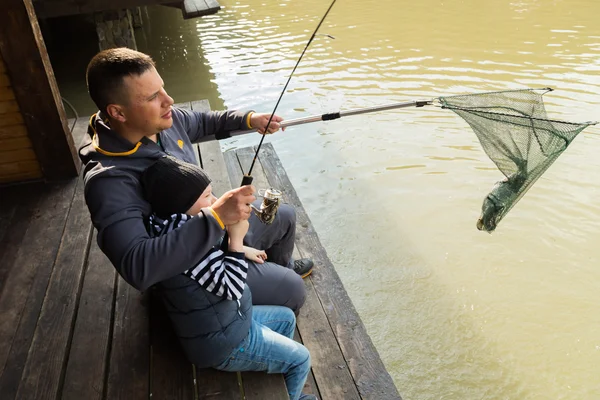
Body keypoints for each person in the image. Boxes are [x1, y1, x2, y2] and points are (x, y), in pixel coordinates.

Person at [79, 47, 314, 313]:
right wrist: (216, 218)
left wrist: (250, 120)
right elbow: (137, 266)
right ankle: (248, 311)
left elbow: (203, 122)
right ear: (118, 113)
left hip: (214, 233)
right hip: (189, 270)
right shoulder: (108, 181)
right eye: (153, 97)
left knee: (284, 216)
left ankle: (274, 270)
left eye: (163, 88)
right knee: (294, 290)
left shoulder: (161, 119)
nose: (169, 100)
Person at [140, 155, 315, 400]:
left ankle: (272, 372)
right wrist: (236, 241)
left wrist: (240, 247)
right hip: (223, 344)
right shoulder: (188, 250)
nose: (215, 201)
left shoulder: (175, 227)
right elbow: (232, 288)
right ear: (181, 204)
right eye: (207, 197)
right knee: (301, 359)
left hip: (230, 320)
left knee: (286, 318)